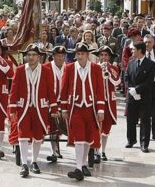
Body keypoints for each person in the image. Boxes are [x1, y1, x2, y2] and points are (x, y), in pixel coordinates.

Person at [8, 43, 58, 178]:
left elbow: (50, 91)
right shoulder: (19, 70)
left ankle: (34, 161)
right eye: (29, 55)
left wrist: (54, 107)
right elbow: (13, 91)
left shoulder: (46, 71)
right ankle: (25, 164)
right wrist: (12, 108)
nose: (31, 57)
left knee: (38, 136)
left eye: (34, 55)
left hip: (40, 108)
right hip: (23, 107)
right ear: (25, 57)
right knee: (22, 135)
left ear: (39, 57)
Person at [61, 42, 105, 181]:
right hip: (75, 108)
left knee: (87, 138)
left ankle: (83, 164)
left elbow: (100, 90)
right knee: (79, 138)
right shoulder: (69, 68)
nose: (80, 56)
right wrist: (63, 108)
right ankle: (78, 167)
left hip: (91, 107)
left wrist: (101, 109)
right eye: (78, 54)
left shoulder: (96, 68)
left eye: (83, 54)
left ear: (87, 55)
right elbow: (63, 88)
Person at [124, 41, 155, 153]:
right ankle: (131, 140)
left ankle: (144, 143)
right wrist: (131, 90)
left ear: (140, 50)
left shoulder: (150, 64)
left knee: (145, 121)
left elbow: (149, 82)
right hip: (131, 95)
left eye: (133, 49)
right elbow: (126, 77)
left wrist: (137, 90)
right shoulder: (131, 62)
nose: (132, 51)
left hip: (144, 96)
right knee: (130, 119)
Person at [92, 45, 120, 160]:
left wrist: (107, 70)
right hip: (97, 101)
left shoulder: (114, 68)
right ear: (98, 57)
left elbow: (117, 82)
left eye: (106, 55)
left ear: (109, 57)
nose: (104, 57)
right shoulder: (94, 67)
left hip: (109, 101)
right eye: (102, 55)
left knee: (106, 128)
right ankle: (96, 151)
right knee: (96, 126)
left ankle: (103, 151)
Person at [44, 45, 67, 163]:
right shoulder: (46, 67)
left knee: (63, 125)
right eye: (58, 56)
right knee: (52, 126)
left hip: (63, 102)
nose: (60, 58)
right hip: (49, 102)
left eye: (62, 56)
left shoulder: (68, 68)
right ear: (53, 56)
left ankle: (57, 149)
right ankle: (54, 151)